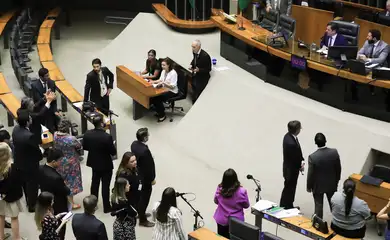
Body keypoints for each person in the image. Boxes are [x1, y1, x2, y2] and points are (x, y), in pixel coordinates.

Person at [83, 115, 117, 213]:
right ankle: (106, 207)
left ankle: (92, 204)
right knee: (105, 185)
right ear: (102, 124)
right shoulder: (107, 137)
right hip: (105, 164)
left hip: (94, 162)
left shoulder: (88, 134)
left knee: (94, 182)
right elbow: (113, 152)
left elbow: (85, 147)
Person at [12, 110, 42, 212]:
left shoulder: (15, 130)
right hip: (30, 164)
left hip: (19, 161)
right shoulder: (29, 136)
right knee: (32, 184)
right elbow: (36, 150)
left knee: (25, 183)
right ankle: (32, 205)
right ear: (27, 122)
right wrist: (40, 155)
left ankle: (28, 199)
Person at [307, 133, 341, 219]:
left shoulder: (313, 157)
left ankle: (319, 224)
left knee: (318, 206)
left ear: (315, 143)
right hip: (331, 184)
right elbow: (338, 168)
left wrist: (309, 186)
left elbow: (310, 174)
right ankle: (338, 221)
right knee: (333, 205)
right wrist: (336, 181)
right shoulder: (334, 152)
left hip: (318, 186)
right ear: (325, 141)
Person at [38, 148, 71, 240]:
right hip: (58, 205)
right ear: (53, 161)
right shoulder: (56, 178)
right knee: (60, 230)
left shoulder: (40, 168)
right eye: (59, 161)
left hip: (46, 202)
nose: (61, 163)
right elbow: (65, 191)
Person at [54, 119, 83, 209]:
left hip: (60, 160)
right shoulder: (71, 139)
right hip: (71, 162)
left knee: (63, 180)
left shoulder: (55, 135)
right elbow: (79, 146)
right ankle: (71, 203)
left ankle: (63, 198)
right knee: (71, 182)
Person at [214, 169, 250, 238]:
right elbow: (246, 205)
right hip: (236, 222)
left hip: (221, 220)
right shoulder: (242, 191)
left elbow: (216, 201)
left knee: (222, 238)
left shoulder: (220, 189)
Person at [131, 128, 155, 227]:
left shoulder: (134, 144)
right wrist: (152, 178)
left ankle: (140, 212)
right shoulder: (145, 151)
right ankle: (142, 219)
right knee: (144, 198)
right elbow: (149, 167)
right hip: (145, 178)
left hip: (138, 174)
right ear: (144, 137)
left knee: (139, 197)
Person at [0, 142, 24, 240]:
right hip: (11, 197)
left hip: (1, 196)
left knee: (1, 215)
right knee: (14, 218)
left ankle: (1, 236)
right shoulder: (13, 167)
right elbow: (17, 182)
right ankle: (16, 238)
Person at [280, 120, 304, 209]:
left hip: (289, 168)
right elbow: (294, 158)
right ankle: (286, 206)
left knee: (289, 188)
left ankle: (288, 204)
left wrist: (302, 159)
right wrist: (300, 166)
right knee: (289, 188)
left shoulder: (289, 136)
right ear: (297, 130)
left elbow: (297, 152)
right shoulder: (291, 143)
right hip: (291, 170)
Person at [31, 67, 59, 133]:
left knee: (52, 128)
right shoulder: (34, 86)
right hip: (41, 110)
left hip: (50, 110)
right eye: (46, 76)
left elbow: (54, 99)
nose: (48, 77)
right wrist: (46, 97)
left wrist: (55, 110)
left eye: (48, 75)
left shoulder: (52, 83)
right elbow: (38, 100)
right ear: (41, 77)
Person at [150, 57, 179, 122]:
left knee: (157, 99)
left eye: (164, 65)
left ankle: (162, 115)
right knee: (153, 95)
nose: (162, 66)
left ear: (168, 65)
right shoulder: (163, 71)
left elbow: (172, 86)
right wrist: (153, 82)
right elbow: (160, 80)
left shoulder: (173, 73)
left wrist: (164, 83)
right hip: (164, 88)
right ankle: (159, 110)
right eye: (161, 65)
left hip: (172, 91)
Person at [190, 39, 211, 104]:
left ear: (199, 47)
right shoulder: (194, 52)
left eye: (194, 47)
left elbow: (208, 69)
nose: (192, 49)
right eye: (192, 46)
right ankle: (193, 102)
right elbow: (194, 59)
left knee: (199, 92)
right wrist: (191, 64)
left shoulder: (205, 56)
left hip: (202, 78)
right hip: (196, 75)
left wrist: (199, 70)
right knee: (194, 89)